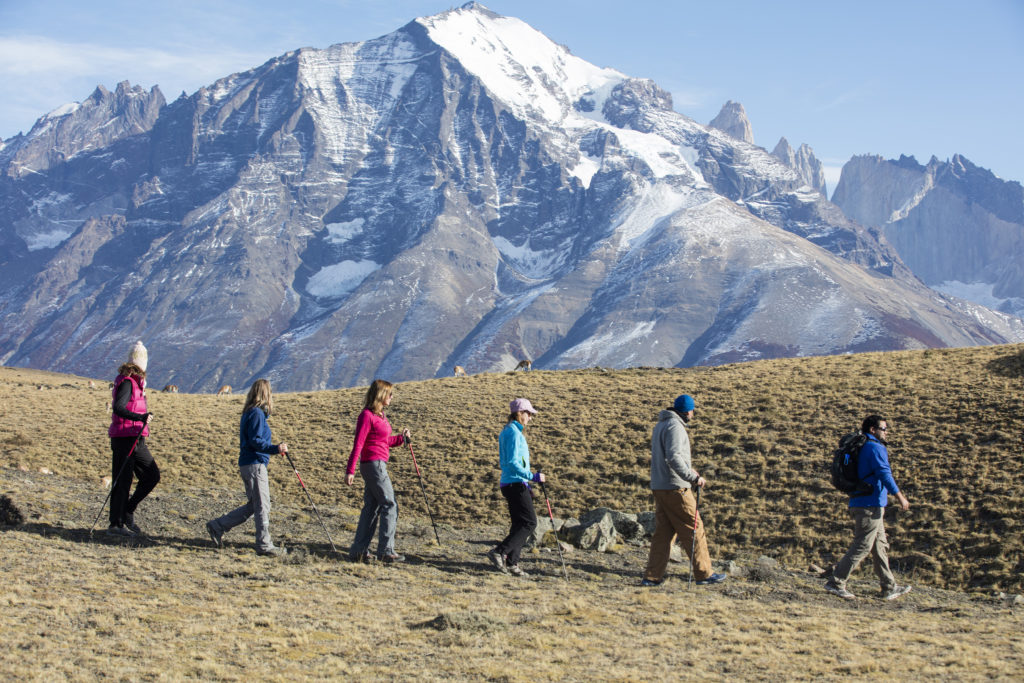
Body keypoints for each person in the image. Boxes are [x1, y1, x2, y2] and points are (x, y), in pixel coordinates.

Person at [641, 394, 726, 586]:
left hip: (660, 486)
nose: (693, 414)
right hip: (676, 488)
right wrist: (693, 477)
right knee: (694, 528)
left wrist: (688, 470)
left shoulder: (661, 425)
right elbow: (674, 457)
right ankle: (704, 573)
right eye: (692, 411)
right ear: (687, 411)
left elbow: (669, 457)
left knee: (664, 533)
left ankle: (652, 576)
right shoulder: (675, 427)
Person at [824, 415, 912, 600]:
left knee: (879, 546)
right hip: (869, 504)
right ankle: (836, 582)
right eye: (884, 429)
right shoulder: (875, 447)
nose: (886, 433)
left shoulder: (863, 446)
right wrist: (900, 497)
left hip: (864, 502)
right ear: (873, 430)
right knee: (863, 545)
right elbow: (884, 474)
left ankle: (889, 587)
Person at [206, 379, 288, 557]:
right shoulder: (257, 414)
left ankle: (217, 526)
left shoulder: (249, 413)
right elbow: (256, 440)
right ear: (266, 394)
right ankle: (265, 545)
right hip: (255, 464)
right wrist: (276, 448)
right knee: (262, 506)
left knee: (254, 505)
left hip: (248, 463)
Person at [345, 379, 410, 563]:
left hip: (377, 463)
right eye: (389, 393)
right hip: (374, 464)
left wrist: (400, 439)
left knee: (372, 508)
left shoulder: (380, 415)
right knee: (389, 504)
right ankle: (385, 550)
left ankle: (359, 550)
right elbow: (358, 443)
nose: (392, 397)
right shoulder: (367, 415)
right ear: (381, 395)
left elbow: (384, 441)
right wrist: (350, 470)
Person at [487, 398, 546, 577]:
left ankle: (512, 563)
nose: (530, 418)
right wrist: (532, 477)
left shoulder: (509, 431)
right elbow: (512, 462)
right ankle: (499, 552)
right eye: (528, 413)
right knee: (530, 522)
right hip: (516, 482)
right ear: (519, 413)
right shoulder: (513, 433)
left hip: (512, 483)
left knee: (519, 523)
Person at [107, 341, 160, 537]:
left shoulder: (134, 383)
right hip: (125, 437)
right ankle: (116, 523)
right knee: (123, 480)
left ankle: (127, 511)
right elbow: (119, 408)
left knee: (151, 475)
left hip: (135, 436)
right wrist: (141, 418)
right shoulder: (128, 382)